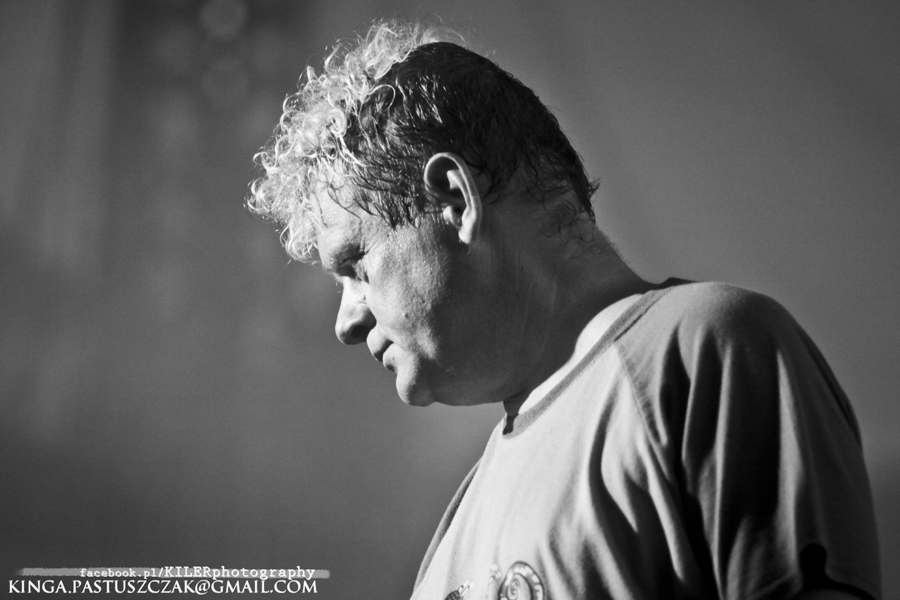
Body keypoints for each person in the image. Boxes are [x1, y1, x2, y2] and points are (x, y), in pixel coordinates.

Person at [247, 20, 881, 600]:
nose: (346, 323)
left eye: (356, 266)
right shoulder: (452, 536)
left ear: (455, 200)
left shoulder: (704, 351)